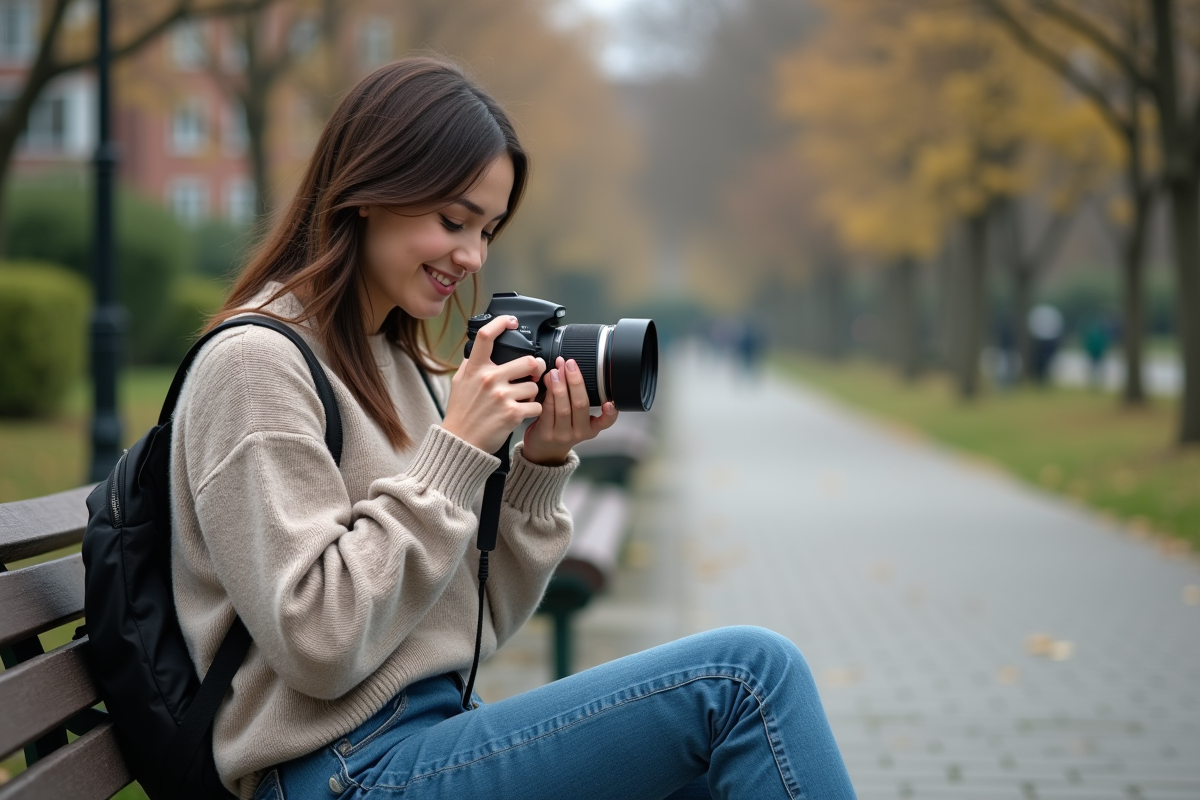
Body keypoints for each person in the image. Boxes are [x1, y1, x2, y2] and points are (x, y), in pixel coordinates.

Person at [171, 57, 855, 800]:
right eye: (453, 221)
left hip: (426, 737)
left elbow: (481, 623)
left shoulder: (403, 363)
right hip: (337, 770)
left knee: (715, 764)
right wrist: (455, 453)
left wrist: (538, 466)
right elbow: (317, 643)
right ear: (368, 194)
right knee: (746, 680)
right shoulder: (255, 365)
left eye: (488, 229)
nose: (471, 257)